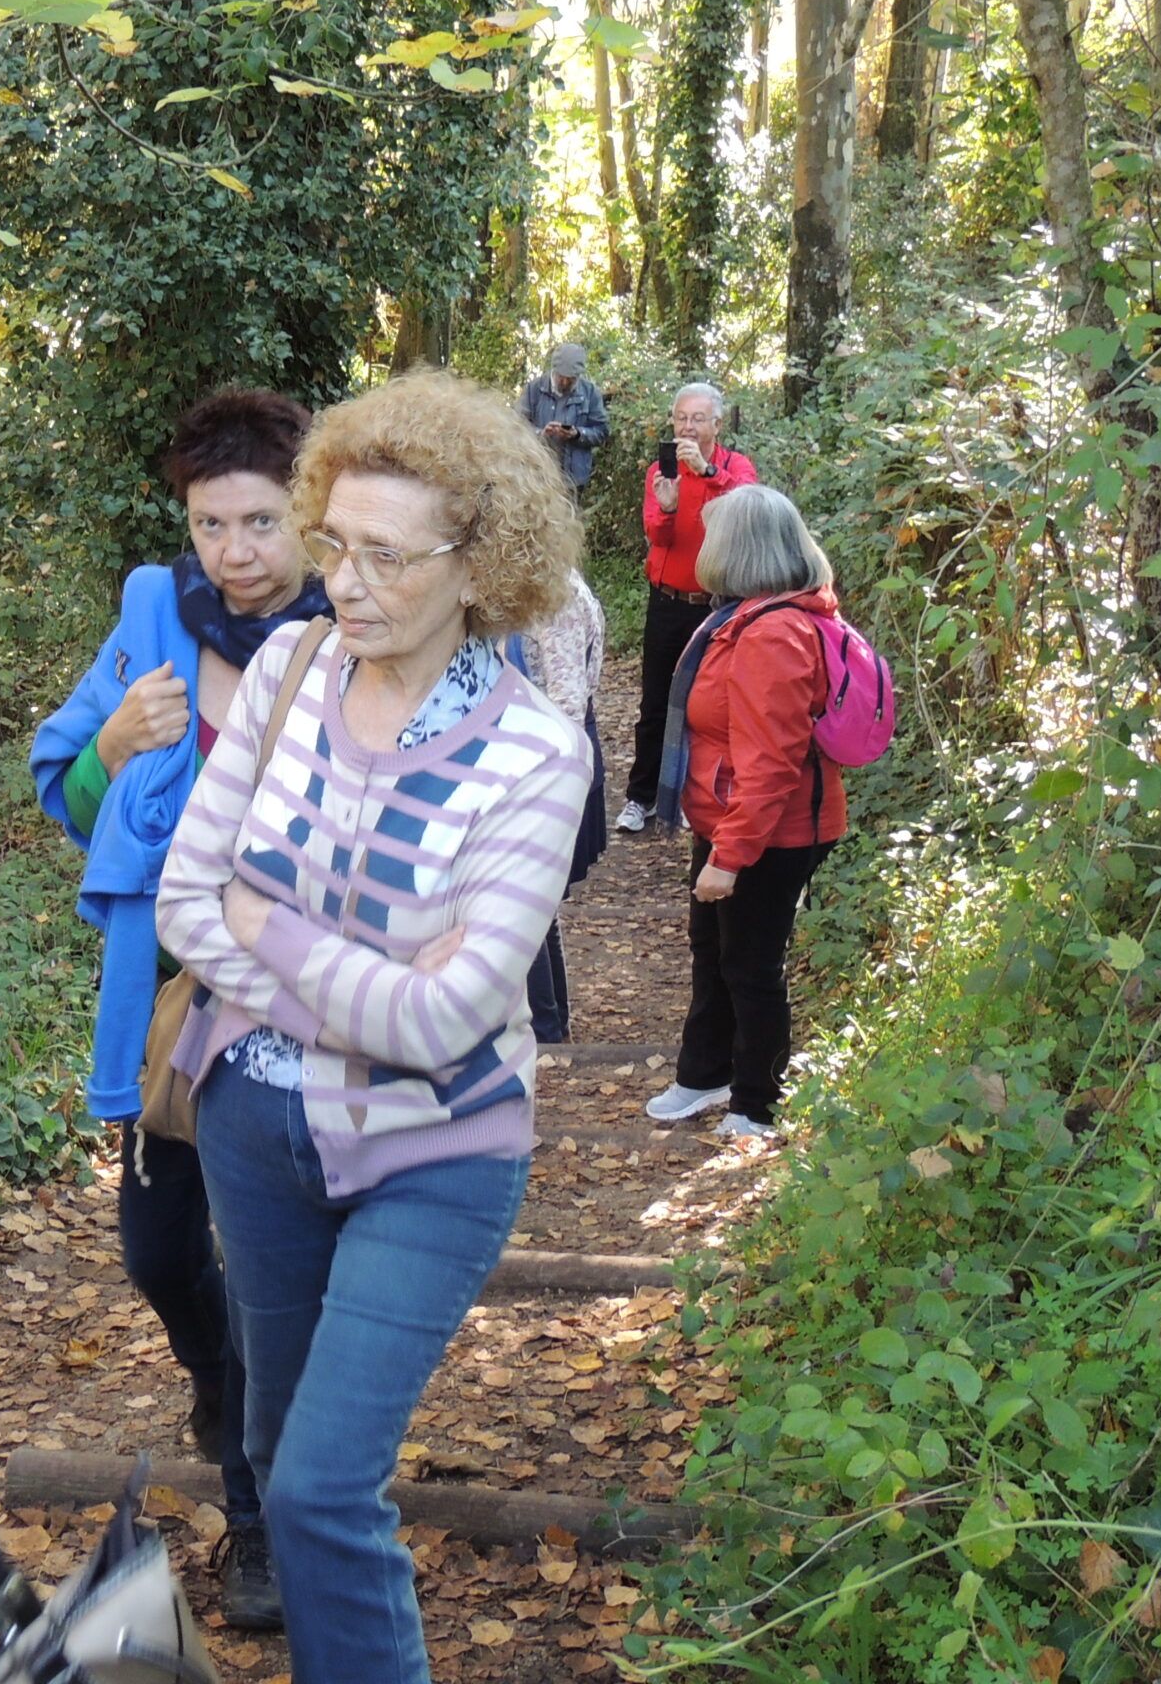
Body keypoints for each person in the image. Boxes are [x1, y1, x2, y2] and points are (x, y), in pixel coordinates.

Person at [155, 368, 592, 1683]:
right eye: (332, 543)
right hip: (252, 1123)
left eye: (385, 556)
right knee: (281, 1467)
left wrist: (272, 932)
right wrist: (370, 972)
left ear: (479, 567)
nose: (342, 581)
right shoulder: (287, 667)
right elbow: (187, 895)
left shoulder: (534, 757)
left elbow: (450, 1017)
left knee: (323, 1493)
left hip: (437, 1153)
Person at [29, 387, 332, 1632]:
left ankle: (256, 1526)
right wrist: (115, 743)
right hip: (165, 1005)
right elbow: (65, 791)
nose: (237, 553)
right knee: (158, 1253)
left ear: (309, 517)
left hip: (300, 1006)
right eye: (212, 523)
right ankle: (213, 1379)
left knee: (266, 1271)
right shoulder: (155, 615)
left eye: (262, 521)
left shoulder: (355, 628)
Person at [642, 486, 847, 1140]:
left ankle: (757, 1104)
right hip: (727, 818)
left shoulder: (775, 633)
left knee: (751, 965)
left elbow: (772, 762)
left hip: (770, 831)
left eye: (714, 535)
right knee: (713, 950)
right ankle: (705, 1073)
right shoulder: (746, 616)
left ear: (741, 549)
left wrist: (731, 857)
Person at [617, 380, 758, 835]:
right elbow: (658, 537)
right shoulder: (663, 471)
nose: (688, 427)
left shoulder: (736, 468)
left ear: (717, 423)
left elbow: (747, 515)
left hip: (720, 605)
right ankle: (642, 799)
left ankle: (701, 805)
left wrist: (709, 474)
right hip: (668, 602)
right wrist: (668, 507)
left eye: (698, 419)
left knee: (713, 707)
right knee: (656, 703)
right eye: (681, 418)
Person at [517, 568, 610, 1044]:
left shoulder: (556, 597)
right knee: (536, 904)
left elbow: (568, 703)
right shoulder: (535, 587)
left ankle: (546, 1032)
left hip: (548, 766)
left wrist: (553, 797)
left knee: (524, 901)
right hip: (533, 760)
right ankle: (551, 1025)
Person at [517, 340, 610, 491]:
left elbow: (602, 431)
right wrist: (541, 433)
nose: (565, 382)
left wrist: (578, 434)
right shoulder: (533, 390)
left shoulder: (590, 393)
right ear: (554, 369)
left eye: (571, 378)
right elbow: (516, 427)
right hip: (537, 476)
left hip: (573, 482)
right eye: (561, 377)